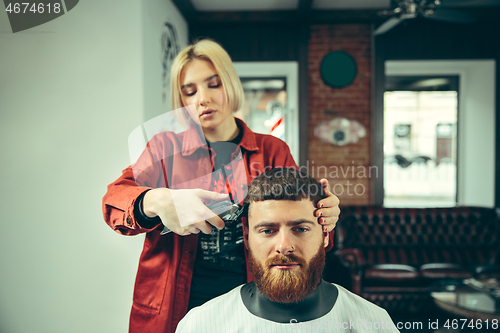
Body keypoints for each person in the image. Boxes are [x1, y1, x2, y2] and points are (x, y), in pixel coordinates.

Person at [102, 39, 340, 333]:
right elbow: (114, 201)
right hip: (174, 309)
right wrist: (157, 201)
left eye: (213, 84)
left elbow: (302, 225)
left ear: (230, 85)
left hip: (252, 308)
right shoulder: (163, 149)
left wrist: (324, 216)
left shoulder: (273, 151)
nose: (202, 98)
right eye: (190, 91)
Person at [176, 168, 399, 333]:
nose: (284, 246)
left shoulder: (373, 323)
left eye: (300, 229)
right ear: (246, 235)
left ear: (325, 234)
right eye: (267, 230)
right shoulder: (201, 325)